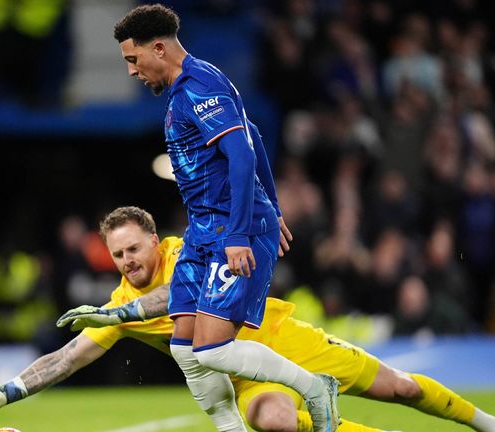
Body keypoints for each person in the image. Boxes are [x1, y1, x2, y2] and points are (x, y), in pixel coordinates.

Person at [0, 207, 495, 432]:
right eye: (118, 255)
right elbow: (68, 356)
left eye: (134, 249)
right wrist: (6, 392)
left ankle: (492, 426)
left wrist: (119, 311)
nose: (128, 261)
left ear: (152, 240)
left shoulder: (187, 250)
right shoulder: (117, 304)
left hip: (286, 339)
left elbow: (177, 297)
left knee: (402, 387)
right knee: (278, 425)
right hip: (243, 377)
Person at [112, 5, 338, 432]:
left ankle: (314, 387)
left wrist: (244, 228)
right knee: (184, 349)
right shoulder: (192, 86)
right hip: (204, 230)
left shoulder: (199, 85)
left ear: (158, 48)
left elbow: (241, 154)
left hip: (229, 231)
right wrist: (272, 203)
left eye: (133, 59)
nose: (131, 72)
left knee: (213, 351)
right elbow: (251, 136)